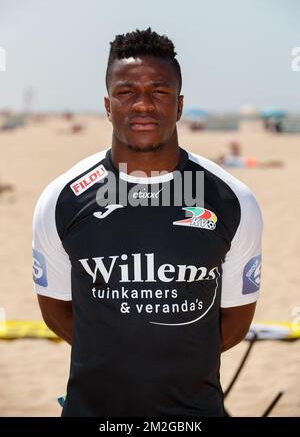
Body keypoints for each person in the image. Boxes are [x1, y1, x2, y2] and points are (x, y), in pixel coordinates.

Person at [32, 28, 263, 417]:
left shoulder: (233, 198)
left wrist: (168, 358)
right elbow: (57, 312)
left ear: (179, 104)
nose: (143, 105)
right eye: (126, 92)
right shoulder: (61, 197)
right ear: (108, 105)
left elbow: (234, 325)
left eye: (159, 91)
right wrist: (121, 355)